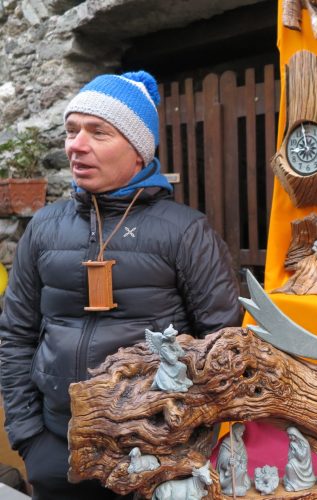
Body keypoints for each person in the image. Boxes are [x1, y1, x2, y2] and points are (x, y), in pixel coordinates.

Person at [0, 70, 242, 499]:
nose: (76, 145)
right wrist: (29, 438)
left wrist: (179, 446)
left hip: (153, 457)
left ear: (137, 150)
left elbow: (222, 352)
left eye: (98, 132)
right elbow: (15, 335)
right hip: (57, 450)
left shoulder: (186, 232)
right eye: (72, 130)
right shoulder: (43, 228)